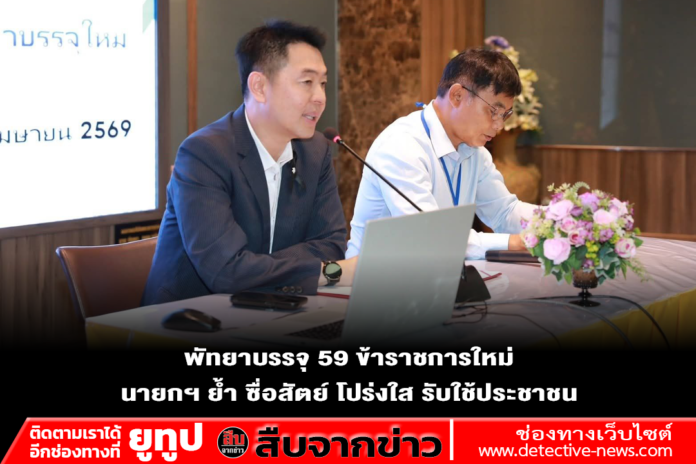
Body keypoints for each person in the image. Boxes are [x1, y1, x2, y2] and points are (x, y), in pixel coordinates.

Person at [143, 20, 356, 305]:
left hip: (276, 311)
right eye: (307, 82)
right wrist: (331, 273)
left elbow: (331, 244)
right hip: (186, 318)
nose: (320, 98)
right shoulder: (204, 154)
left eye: (323, 83)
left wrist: (254, 267)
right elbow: (226, 272)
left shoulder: (316, 151)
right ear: (259, 87)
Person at [346, 48, 537, 260]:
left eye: (505, 115)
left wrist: (555, 220)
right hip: (377, 276)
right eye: (494, 111)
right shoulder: (402, 146)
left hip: (438, 273)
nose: (499, 125)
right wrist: (515, 242)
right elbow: (429, 236)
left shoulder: (475, 151)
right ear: (457, 96)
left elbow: (504, 212)